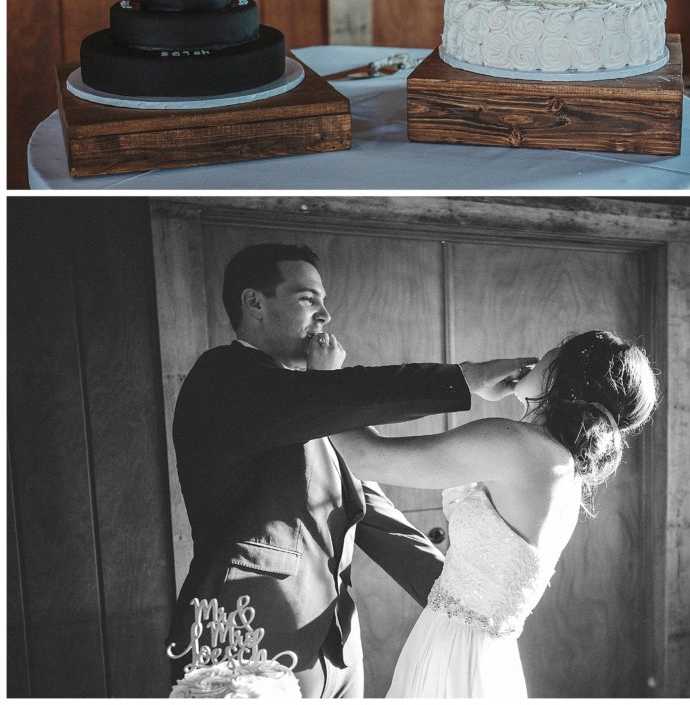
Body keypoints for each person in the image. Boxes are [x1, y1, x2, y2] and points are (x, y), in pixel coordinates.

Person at [166, 242, 533, 698]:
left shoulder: (315, 400)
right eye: (308, 299)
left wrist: (467, 607)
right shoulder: (223, 379)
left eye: (323, 301)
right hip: (245, 639)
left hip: (335, 649)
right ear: (254, 302)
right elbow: (338, 396)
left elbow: (376, 519)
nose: (325, 316)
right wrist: (468, 377)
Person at [329, 329, 659, 698]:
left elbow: (363, 456)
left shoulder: (516, 444)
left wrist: (325, 379)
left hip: (453, 655)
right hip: (488, 659)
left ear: (565, 373)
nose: (540, 356)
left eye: (554, 350)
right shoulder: (565, 470)